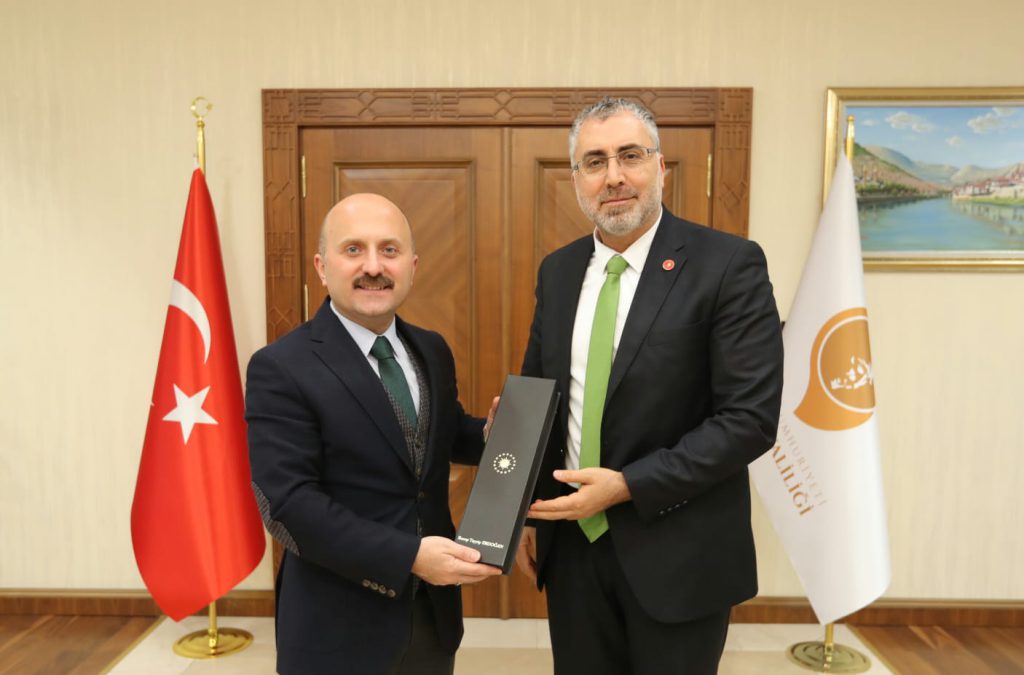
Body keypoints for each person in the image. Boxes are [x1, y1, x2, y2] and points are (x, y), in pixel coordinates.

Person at [517, 97, 784, 674]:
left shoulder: (728, 265)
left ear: (659, 167)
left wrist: (626, 486)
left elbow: (750, 420)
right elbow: (542, 401)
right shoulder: (558, 272)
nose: (613, 176)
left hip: (680, 551)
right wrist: (529, 516)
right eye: (595, 161)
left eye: (630, 156)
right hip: (574, 550)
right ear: (577, 179)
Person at [246, 193, 501, 675]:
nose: (373, 267)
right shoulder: (281, 367)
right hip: (337, 628)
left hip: (433, 617)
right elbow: (289, 505)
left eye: (389, 250)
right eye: (353, 249)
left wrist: (495, 435)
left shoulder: (431, 349)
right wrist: (410, 557)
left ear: (412, 266)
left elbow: (437, 438)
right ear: (322, 267)